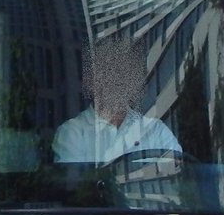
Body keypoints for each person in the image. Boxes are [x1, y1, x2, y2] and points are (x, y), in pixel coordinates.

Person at [52, 36, 180, 164]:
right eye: (109, 72)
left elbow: (177, 174)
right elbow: (76, 183)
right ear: (91, 82)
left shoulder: (155, 130)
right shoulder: (72, 133)